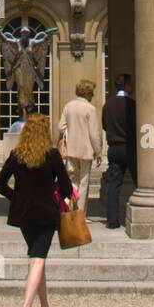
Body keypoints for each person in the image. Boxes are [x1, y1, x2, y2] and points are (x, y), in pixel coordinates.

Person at [0, 112, 73, 307]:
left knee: (38, 258)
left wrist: (15, 197)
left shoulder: (17, 154)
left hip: (24, 215)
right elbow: (66, 188)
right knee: (37, 260)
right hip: (46, 214)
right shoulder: (52, 155)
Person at [57, 80, 102, 216]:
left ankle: (68, 204)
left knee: (73, 179)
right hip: (85, 150)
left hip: (71, 149)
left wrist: (68, 133)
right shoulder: (90, 108)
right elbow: (94, 134)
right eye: (92, 93)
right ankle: (80, 213)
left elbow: (60, 127)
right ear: (88, 93)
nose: (93, 96)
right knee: (84, 182)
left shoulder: (69, 106)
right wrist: (98, 152)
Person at [102, 73, 137, 229]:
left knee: (114, 185)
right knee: (140, 182)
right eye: (131, 84)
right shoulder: (132, 104)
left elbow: (104, 125)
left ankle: (112, 220)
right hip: (129, 147)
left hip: (113, 147)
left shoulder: (107, 105)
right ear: (127, 85)